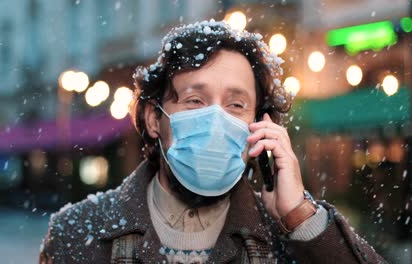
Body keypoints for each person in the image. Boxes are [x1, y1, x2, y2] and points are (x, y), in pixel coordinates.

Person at [39, 19, 387, 263]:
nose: (217, 121)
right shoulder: (77, 234)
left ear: (260, 126)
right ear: (153, 119)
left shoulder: (293, 238)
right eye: (194, 101)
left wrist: (299, 214)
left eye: (236, 105)